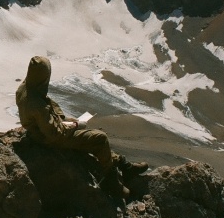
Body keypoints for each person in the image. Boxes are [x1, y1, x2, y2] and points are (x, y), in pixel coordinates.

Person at [15, 56, 147, 199]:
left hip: (43, 129)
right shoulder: (37, 105)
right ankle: (111, 180)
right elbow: (54, 134)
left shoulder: (25, 88)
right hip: (47, 138)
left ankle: (123, 165)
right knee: (100, 138)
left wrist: (64, 120)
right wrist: (75, 125)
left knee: (90, 136)